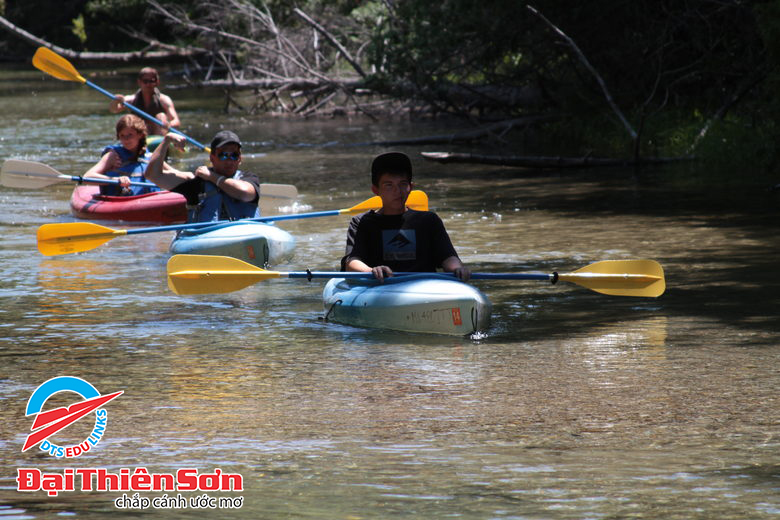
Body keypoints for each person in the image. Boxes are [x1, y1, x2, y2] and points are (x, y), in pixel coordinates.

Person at [341, 151, 471, 282]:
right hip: (380, 286)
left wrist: (457, 268)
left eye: (402, 184)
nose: (397, 191)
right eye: (389, 185)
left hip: (425, 287)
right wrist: (371, 271)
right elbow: (352, 262)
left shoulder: (429, 220)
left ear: (411, 187)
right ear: (376, 190)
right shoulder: (362, 222)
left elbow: (447, 256)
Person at [145, 130, 261, 222]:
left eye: (234, 155)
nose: (229, 160)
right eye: (223, 155)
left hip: (246, 233)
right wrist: (166, 140)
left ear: (240, 159)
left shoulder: (248, 178)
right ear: (212, 158)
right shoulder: (196, 182)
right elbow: (152, 175)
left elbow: (245, 194)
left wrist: (212, 177)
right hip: (206, 237)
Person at [83, 114, 162, 196]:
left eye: (130, 135)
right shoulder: (113, 156)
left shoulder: (150, 156)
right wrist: (115, 179)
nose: (126, 139)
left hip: (151, 200)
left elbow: (171, 173)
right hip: (119, 201)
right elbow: (87, 177)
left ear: (140, 135)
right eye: (122, 135)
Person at [108, 67, 180, 135]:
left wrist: (168, 125)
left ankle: (160, 143)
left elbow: (176, 121)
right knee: (129, 119)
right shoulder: (131, 100)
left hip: (159, 135)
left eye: (152, 81)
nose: (148, 84)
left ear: (157, 82)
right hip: (140, 135)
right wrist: (116, 101)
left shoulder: (164, 100)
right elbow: (114, 110)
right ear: (139, 82)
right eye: (145, 81)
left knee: (161, 116)